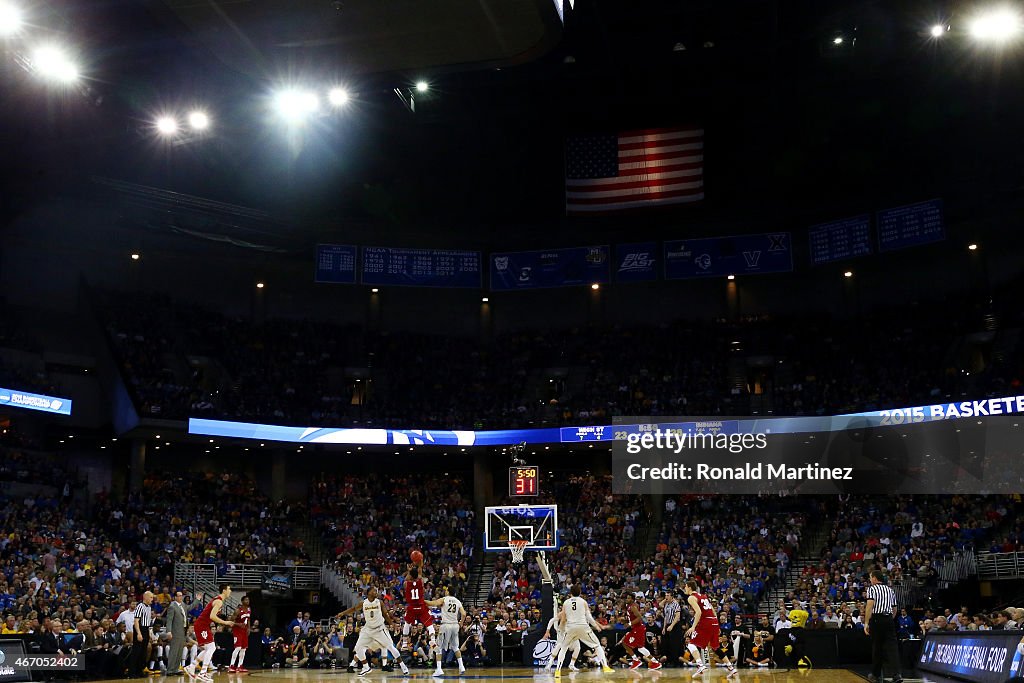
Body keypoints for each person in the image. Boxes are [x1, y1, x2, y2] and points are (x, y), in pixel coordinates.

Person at [337, 586, 410, 676]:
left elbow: (385, 615)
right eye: (374, 591)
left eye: (376, 591)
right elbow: (353, 609)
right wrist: (342, 613)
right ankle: (366, 667)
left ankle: (403, 666)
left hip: (379, 628)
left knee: (390, 647)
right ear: (369, 593)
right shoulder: (363, 603)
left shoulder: (379, 602)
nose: (376, 592)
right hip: (368, 629)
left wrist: (391, 623)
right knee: (358, 648)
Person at [553, 584, 613, 677]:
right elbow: (589, 617)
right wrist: (597, 627)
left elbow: (563, 619)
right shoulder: (583, 602)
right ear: (580, 592)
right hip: (582, 627)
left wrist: (560, 629)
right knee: (597, 645)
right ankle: (605, 667)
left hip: (570, 627)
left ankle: (557, 671)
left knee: (563, 648)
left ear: (570, 593)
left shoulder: (566, 603)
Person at [684, 580, 737, 679]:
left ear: (690, 587)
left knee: (691, 644)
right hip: (713, 621)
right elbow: (713, 610)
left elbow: (699, 612)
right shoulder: (703, 596)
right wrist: (716, 624)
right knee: (715, 647)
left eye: (685, 587)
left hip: (705, 622)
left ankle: (700, 666)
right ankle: (731, 668)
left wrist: (693, 627)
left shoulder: (691, 597)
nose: (685, 589)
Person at [186, 584, 235, 682]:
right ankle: (202, 673)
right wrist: (225, 622)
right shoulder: (219, 601)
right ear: (224, 590)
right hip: (201, 625)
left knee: (208, 648)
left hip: (203, 625)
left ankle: (191, 667)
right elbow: (212, 616)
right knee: (211, 647)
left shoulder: (218, 600)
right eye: (229, 589)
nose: (230, 591)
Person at [864, 570, 902, 683]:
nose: (870, 580)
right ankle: (897, 675)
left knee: (877, 646)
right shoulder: (890, 590)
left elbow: (870, 606)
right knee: (892, 647)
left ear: (875, 578)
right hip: (889, 619)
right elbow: (895, 608)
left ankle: (875, 674)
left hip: (877, 618)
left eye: (871, 577)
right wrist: (890, 618)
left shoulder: (872, 589)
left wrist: (866, 622)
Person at [425, 589, 468, 675]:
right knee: (455, 647)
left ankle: (439, 669)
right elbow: (463, 614)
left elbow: (432, 603)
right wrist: (461, 623)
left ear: (448, 592)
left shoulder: (444, 599)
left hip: (446, 625)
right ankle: (461, 666)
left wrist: (421, 601)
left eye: (446, 590)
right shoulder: (457, 601)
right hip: (455, 625)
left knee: (438, 648)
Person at [402, 563, 438, 653]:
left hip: (412, 607)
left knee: (407, 623)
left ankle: (404, 643)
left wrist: (409, 571)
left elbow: (406, 579)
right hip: (421, 606)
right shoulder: (421, 582)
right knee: (429, 624)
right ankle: (433, 640)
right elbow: (420, 575)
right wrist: (418, 565)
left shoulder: (406, 583)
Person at [623, 594, 662, 670]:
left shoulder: (633, 606)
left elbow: (639, 617)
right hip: (638, 628)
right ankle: (655, 662)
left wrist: (630, 624)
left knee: (625, 643)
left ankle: (636, 660)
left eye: (628, 598)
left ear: (632, 599)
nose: (627, 599)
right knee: (640, 648)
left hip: (638, 628)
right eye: (626, 598)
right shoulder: (630, 606)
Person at [165, 591, 188, 675]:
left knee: (179, 652)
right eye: (179, 596)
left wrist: (197, 600)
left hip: (182, 631)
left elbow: (190, 607)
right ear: (175, 597)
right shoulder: (172, 606)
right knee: (174, 651)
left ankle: (175, 669)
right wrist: (168, 631)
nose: (181, 597)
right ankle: (170, 670)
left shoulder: (183, 605)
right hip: (175, 632)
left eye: (182, 596)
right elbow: (169, 620)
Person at [229, 595, 252, 672]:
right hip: (237, 630)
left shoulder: (249, 609)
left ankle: (240, 666)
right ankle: (231, 666)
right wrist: (238, 624)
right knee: (238, 647)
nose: (247, 601)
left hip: (244, 630)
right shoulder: (238, 610)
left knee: (244, 649)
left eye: (248, 600)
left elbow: (248, 619)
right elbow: (231, 621)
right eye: (246, 600)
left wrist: (248, 628)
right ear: (242, 601)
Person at [662, 591, 683, 667]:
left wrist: (672, 625)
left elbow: (677, 616)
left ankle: (676, 662)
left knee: (675, 644)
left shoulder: (676, 604)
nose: (666, 597)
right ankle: (669, 660)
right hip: (667, 624)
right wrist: (664, 627)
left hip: (675, 625)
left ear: (672, 596)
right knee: (668, 644)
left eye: (667, 595)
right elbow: (665, 617)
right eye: (665, 595)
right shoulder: (666, 604)